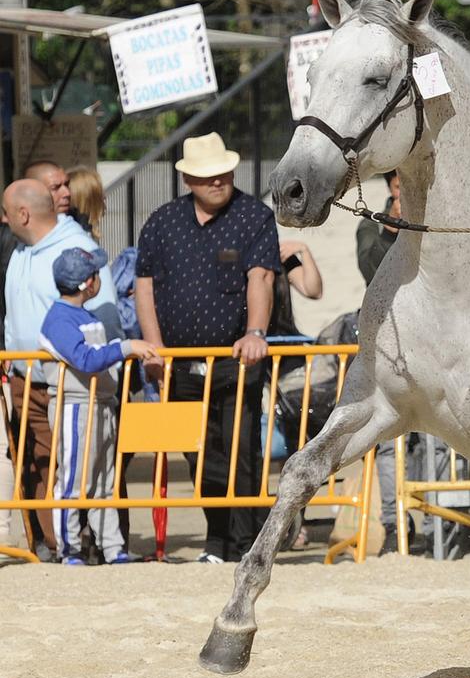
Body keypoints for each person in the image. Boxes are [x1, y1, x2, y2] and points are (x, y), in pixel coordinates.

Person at [133, 132, 280, 563]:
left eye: (223, 173)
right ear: (188, 181)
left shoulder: (254, 216)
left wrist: (255, 332)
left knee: (242, 452)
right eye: (206, 175)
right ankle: (218, 540)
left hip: (235, 362)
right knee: (198, 453)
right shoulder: (161, 222)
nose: (217, 181)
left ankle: (246, 545)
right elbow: (144, 287)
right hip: (179, 364)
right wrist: (154, 349)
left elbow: (262, 278)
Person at [40, 247, 159, 564]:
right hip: (75, 408)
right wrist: (126, 347)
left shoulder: (84, 315)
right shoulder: (59, 319)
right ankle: (69, 550)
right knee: (73, 481)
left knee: (105, 483)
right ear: (85, 283)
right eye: (94, 275)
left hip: (101, 404)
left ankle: (113, 547)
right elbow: (83, 359)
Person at [3, 176, 97, 558]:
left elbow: (100, 320)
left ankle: (90, 543)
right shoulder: (21, 252)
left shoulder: (77, 249)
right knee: (41, 466)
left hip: (70, 383)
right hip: (26, 381)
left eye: (7, 214)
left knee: (82, 467)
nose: (4, 221)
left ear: (23, 214)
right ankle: (55, 545)